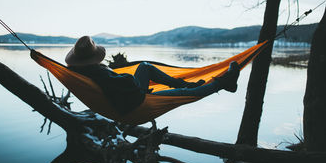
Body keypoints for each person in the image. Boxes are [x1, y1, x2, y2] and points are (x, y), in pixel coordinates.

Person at [66, 36, 240, 115]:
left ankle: (184, 84)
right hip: (135, 103)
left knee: (144, 67)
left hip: (127, 96)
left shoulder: (79, 71)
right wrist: (124, 76)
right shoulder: (98, 72)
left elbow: (115, 84)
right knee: (186, 95)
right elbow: (123, 83)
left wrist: (119, 74)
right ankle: (224, 83)